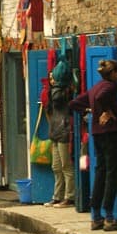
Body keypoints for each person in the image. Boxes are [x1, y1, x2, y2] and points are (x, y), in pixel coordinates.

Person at [70, 59, 117, 232]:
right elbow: (102, 98)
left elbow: (74, 103)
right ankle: (110, 218)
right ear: (114, 73)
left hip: (97, 134)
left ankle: (96, 217)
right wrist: (106, 112)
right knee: (113, 173)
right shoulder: (110, 87)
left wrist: (88, 113)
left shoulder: (95, 87)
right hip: (111, 134)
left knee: (101, 172)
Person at [45, 62, 75, 208]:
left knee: (66, 166)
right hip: (56, 131)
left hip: (63, 131)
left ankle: (70, 196)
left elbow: (57, 101)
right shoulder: (56, 92)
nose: (52, 82)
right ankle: (57, 195)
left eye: (54, 78)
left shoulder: (63, 92)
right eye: (51, 79)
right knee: (56, 166)